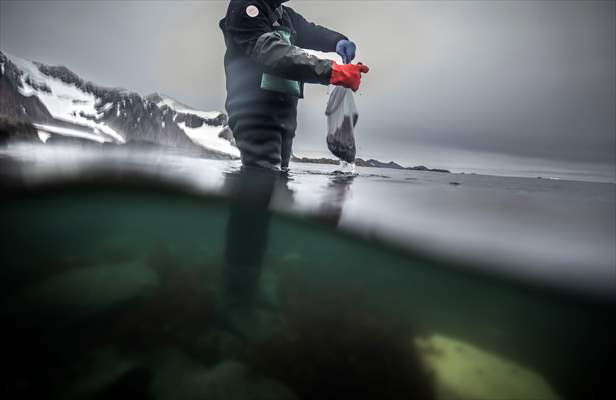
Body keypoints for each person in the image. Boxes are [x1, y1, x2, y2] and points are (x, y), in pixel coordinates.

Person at [220, 0, 369, 170]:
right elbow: (272, 53)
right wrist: (332, 71)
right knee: (263, 177)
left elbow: (311, 32)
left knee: (279, 180)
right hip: (254, 114)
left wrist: (337, 41)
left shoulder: (285, 15)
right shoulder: (245, 7)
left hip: (285, 116)